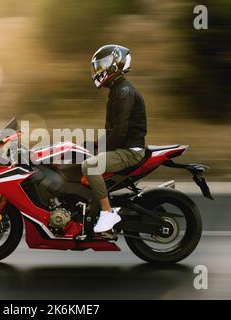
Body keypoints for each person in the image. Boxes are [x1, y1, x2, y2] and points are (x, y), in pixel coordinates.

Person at [82, 44, 147, 233]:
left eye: (102, 64)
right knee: (83, 153)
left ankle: (107, 213)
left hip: (129, 152)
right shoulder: (119, 90)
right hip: (124, 147)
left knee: (90, 166)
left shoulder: (123, 92)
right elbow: (114, 131)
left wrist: (101, 150)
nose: (98, 70)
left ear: (114, 62)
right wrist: (94, 145)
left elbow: (119, 132)